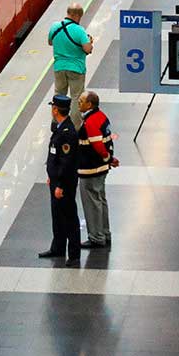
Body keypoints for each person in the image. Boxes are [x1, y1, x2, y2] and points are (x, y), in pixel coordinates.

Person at [38, 95, 82, 266]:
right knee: (57, 216)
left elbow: (67, 162)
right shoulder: (61, 128)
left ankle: (74, 254)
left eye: (52, 107)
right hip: (56, 181)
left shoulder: (67, 133)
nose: (52, 109)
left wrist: (61, 185)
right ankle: (57, 247)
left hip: (64, 185)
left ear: (56, 110)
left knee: (69, 217)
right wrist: (52, 178)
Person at [77, 91, 118, 249]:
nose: (78, 103)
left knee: (92, 203)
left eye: (81, 101)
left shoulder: (91, 121)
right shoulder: (102, 116)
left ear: (89, 104)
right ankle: (105, 233)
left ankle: (96, 237)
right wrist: (110, 160)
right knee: (100, 200)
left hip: (90, 169)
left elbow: (98, 145)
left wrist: (107, 158)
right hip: (101, 168)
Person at [48, 4, 94, 126]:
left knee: (58, 95)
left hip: (59, 67)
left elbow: (50, 42)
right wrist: (89, 42)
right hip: (76, 68)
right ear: (77, 15)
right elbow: (87, 49)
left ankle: (56, 122)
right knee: (76, 98)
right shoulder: (80, 30)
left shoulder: (55, 27)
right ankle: (74, 127)